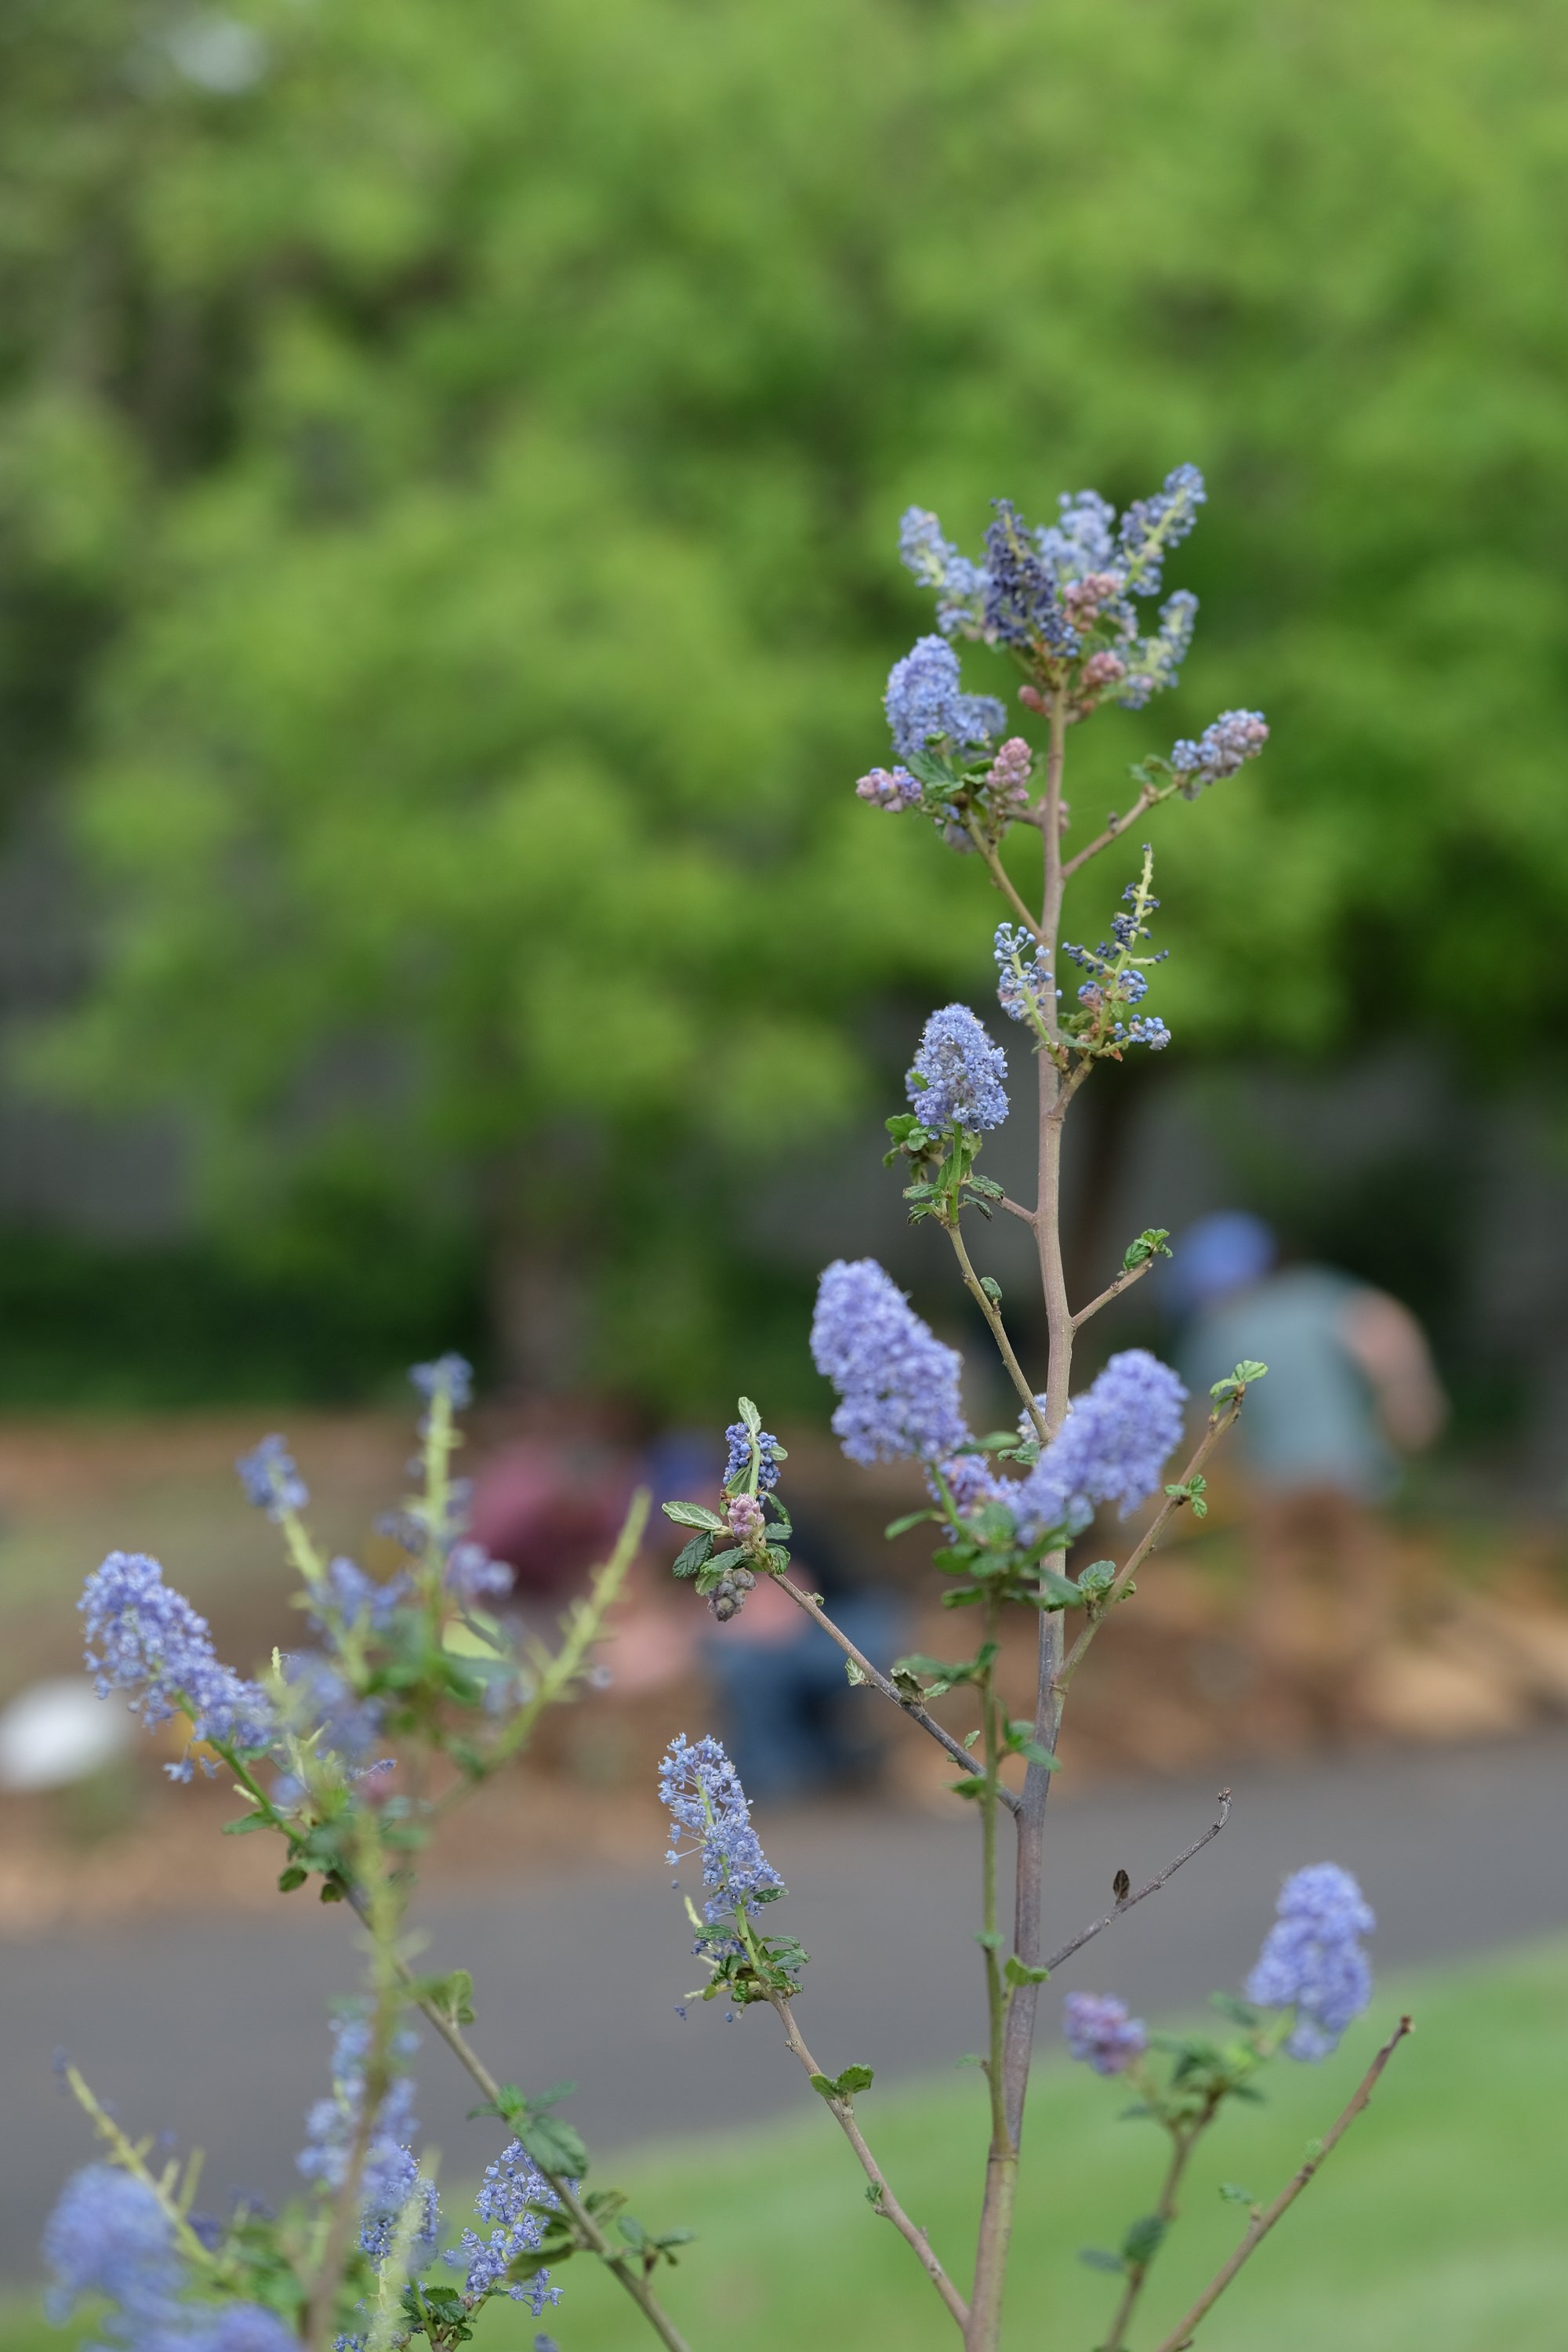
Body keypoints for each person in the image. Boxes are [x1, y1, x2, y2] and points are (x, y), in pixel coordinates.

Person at [1172, 1211, 1446, 1731]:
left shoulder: (1217, 1331)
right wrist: (1410, 1394)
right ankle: (1358, 1703)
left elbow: (1205, 1429)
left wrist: (1190, 1487)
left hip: (1275, 1483)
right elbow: (1387, 1332)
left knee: (1273, 1590)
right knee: (1361, 1584)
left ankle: (1281, 1713)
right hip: (1350, 1473)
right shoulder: (1319, 1297)